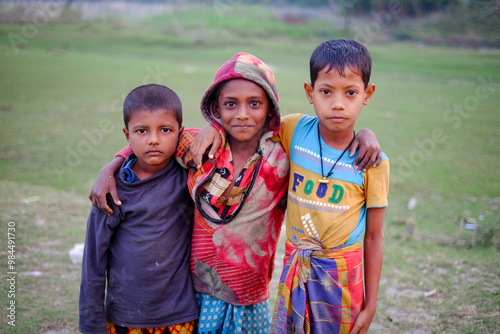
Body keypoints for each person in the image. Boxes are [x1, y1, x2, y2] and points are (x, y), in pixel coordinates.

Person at [89, 52, 382, 334]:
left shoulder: (283, 153)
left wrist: (365, 135)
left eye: (255, 103)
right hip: (193, 292)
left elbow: (328, 140)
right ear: (216, 109)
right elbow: (153, 141)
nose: (243, 114)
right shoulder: (197, 145)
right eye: (230, 104)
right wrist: (113, 164)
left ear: (270, 108)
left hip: (249, 295)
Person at [270, 39, 389, 334]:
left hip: (342, 277)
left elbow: (374, 238)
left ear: (367, 95)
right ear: (310, 93)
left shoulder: (373, 162)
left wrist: (371, 304)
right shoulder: (293, 130)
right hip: (295, 264)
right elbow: (248, 126)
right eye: (326, 91)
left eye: (351, 93)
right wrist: (214, 126)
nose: (338, 103)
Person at [79, 84, 198, 334]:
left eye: (165, 130)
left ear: (180, 133)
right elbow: (93, 262)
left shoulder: (189, 178)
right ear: (127, 135)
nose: (154, 139)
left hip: (180, 315)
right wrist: (91, 325)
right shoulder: (111, 190)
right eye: (142, 130)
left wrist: (114, 161)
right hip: (125, 317)